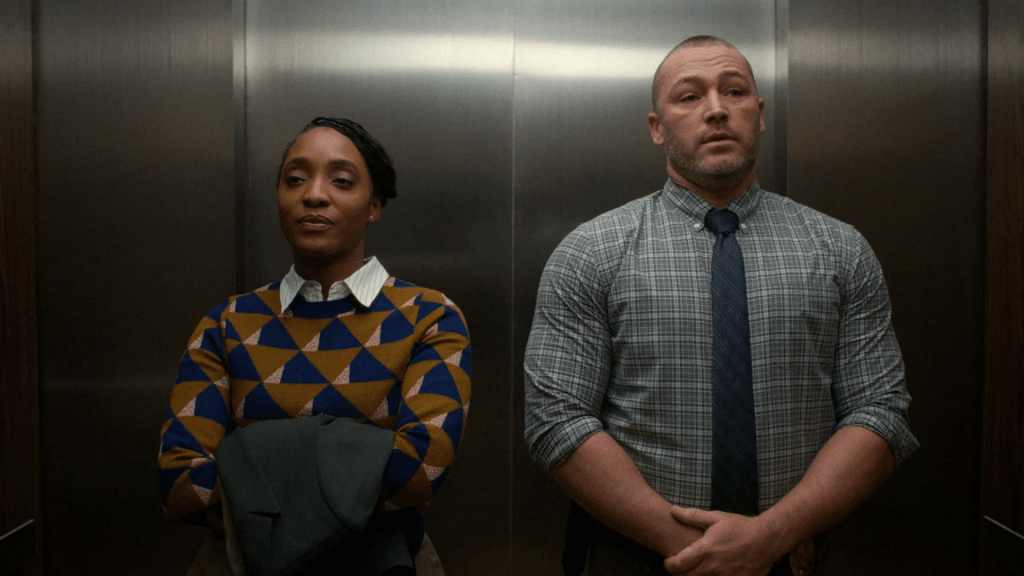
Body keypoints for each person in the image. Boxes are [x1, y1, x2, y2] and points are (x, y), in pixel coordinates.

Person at [524, 36, 917, 576]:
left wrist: (767, 538)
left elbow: (881, 411)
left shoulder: (839, 248)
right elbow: (558, 420)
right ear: (657, 127)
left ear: (758, 116)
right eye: (688, 97)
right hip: (638, 555)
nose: (715, 109)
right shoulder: (591, 253)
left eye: (734, 92)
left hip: (795, 553)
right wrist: (700, 550)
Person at [158, 117, 471, 575]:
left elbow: (418, 472)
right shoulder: (226, 323)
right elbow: (180, 482)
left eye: (341, 181)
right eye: (295, 179)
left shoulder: (429, 316)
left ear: (373, 206)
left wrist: (249, 463)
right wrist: (360, 461)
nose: (314, 195)